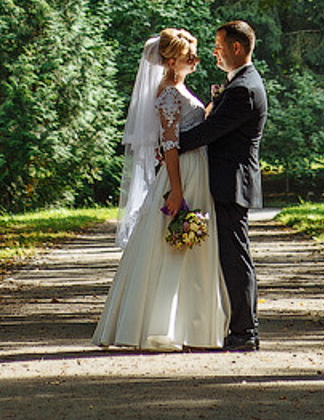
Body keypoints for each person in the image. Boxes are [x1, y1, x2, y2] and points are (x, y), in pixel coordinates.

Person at [93, 28, 230, 351]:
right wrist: (177, 188)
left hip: (196, 167)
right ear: (171, 61)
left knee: (189, 243)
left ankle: (190, 324)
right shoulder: (168, 92)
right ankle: (163, 325)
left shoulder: (178, 88)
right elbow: (169, 143)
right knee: (176, 243)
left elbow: (186, 128)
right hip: (183, 171)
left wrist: (211, 107)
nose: (196, 59)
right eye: (189, 55)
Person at [176, 19, 267, 351]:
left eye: (217, 47)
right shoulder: (240, 83)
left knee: (235, 257)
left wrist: (170, 145)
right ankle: (241, 328)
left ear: (237, 48)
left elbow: (207, 133)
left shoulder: (244, 89)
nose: (214, 54)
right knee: (232, 255)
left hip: (232, 183)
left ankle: (245, 331)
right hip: (228, 181)